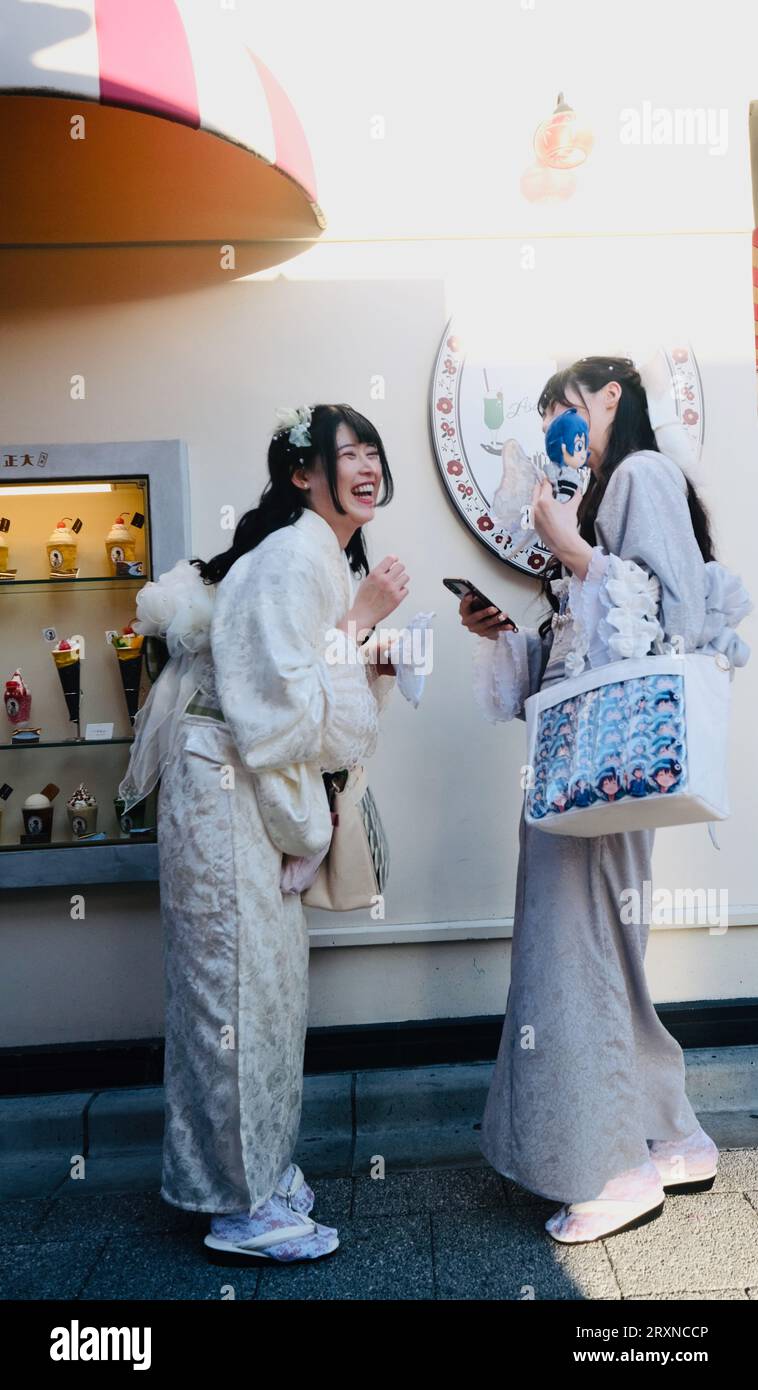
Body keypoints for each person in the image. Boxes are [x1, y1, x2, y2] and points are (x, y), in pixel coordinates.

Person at [460, 355, 752, 1243]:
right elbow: (593, 639)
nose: (558, 424)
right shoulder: (613, 487)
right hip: (602, 767)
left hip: (603, 774)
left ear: (611, 397)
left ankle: (611, 1166)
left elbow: (677, 622)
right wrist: (512, 629)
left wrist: (573, 550)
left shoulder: (642, 473)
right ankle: (672, 1133)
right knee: (608, 953)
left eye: (565, 407)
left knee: (572, 952)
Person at [119, 403, 408, 1263]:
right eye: (344, 452)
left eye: (371, 452)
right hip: (224, 784)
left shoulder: (310, 555)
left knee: (267, 987)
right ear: (301, 473)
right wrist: (358, 626)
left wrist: (361, 644)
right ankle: (238, 1204)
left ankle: (260, 1168)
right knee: (236, 991)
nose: (364, 465)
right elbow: (279, 715)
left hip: (242, 784)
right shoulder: (290, 558)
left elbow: (295, 699)